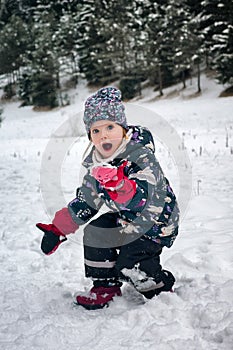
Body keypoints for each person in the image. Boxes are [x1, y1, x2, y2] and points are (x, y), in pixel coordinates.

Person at [36, 87, 180, 310]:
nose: (103, 135)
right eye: (95, 131)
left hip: (156, 222)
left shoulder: (140, 155)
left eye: (110, 127)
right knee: (96, 232)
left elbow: (146, 195)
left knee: (131, 262)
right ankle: (105, 287)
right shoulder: (96, 165)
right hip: (127, 218)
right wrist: (58, 228)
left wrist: (120, 185)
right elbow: (86, 201)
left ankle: (158, 285)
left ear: (122, 129)